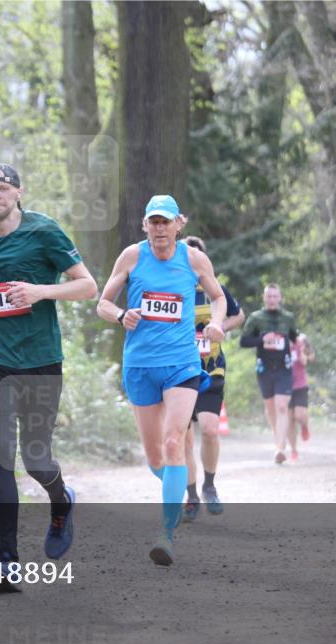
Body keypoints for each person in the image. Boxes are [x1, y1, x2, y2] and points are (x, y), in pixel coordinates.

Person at [0, 163, 97, 593]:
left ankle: (61, 500)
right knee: (0, 453)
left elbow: (87, 285)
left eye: (2, 188)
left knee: (36, 459)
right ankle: (7, 559)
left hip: (39, 359)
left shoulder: (44, 232)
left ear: (19, 193)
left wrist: (40, 292)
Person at [97, 195, 225, 566]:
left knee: (174, 441)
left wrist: (216, 323)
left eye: (165, 222)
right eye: (153, 222)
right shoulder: (132, 256)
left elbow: (217, 297)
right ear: (145, 226)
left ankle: (165, 535)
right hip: (140, 365)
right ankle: (179, 486)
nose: (159, 229)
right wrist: (122, 315)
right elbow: (103, 303)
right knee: (156, 457)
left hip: (182, 364)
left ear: (178, 225)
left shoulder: (194, 258)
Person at [180, 236, 245, 519]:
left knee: (208, 429)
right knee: (183, 435)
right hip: (179, 368)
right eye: (187, 255)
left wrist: (218, 327)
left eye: (197, 255)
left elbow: (238, 315)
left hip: (211, 365)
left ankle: (209, 485)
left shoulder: (214, 289)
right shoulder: (173, 286)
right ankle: (191, 495)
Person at [240, 284, 298, 464]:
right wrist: (261, 340)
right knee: (271, 407)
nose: (272, 299)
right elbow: (244, 341)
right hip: (264, 368)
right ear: (264, 298)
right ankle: (278, 438)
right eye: (269, 296)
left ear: (280, 298)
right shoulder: (256, 318)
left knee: (282, 406)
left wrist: (297, 347)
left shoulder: (288, 318)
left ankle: (280, 449)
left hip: (284, 368)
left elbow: (295, 338)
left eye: (275, 296)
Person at [287, 332, 315, 461]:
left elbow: (309, 358)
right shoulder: (281, 341)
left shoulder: (302, 340)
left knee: (299, 415)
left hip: (300, 384)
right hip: (284, 385)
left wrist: (303, 351)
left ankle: (305, 426)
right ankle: (294, 450)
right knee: (289, 420)